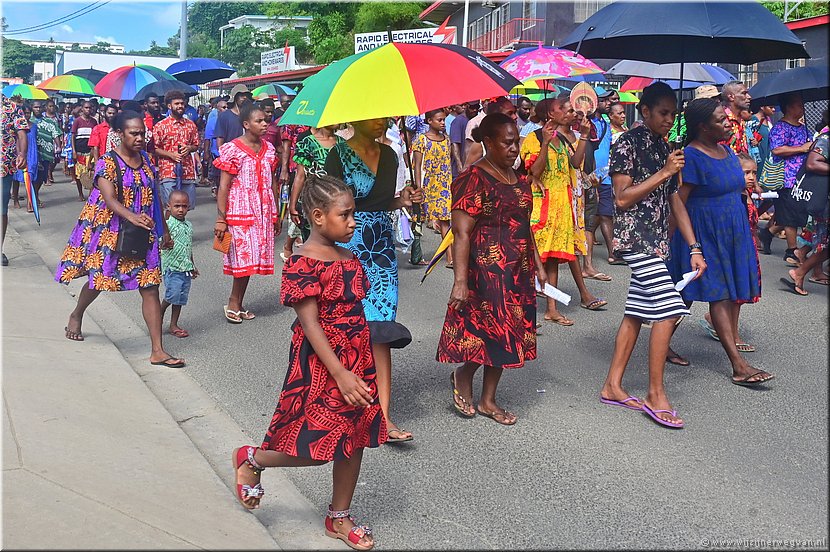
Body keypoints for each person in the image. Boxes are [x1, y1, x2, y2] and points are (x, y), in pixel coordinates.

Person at [232, 174, 384, 551]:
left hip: (356, 357)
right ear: (318, 216)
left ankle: (338, 516)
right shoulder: (302, 261)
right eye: (345, 215)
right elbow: (310, 323)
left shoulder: (348, 255)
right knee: (316, 447)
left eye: (353, 214)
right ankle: (253, 458)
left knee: (354, 438)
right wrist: (340, 373)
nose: (353, 222)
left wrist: (361, 366)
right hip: (323, 363)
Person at [600, 82, 706, 429]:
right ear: (644, 111)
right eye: (663, 112)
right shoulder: (626, 143)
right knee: (670, 309)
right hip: (634, 239)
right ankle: (654, 393)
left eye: (673, 113)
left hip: (658, 240)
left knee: (635, 313)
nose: (668, 119)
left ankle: (613, 386)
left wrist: (694, 247)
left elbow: (676, 201)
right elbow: (621, 198)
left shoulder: (667, 148)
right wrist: (664, 172)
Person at [438, 113, 546, 425]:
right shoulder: (473, 179)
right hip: (485, 271)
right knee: (488, 333)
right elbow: (461, 233)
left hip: (517, 270)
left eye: (517, 142)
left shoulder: (519, 179)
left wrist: (537, 264)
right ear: (488, 143)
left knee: (508, 334)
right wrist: (460, 280)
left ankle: (488, 399)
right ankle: (463, 376)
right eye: (508, 142)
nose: (515, 148)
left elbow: (524, 225)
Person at [55, 110, 184, 368]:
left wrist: (164, 230)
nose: (139, 138)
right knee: (100, 279)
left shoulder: (147, 160)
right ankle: (77, 313)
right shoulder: (107, 162)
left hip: (142, 233)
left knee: (150, 286)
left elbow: (155, 198)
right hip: (111, 231)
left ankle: (157, 350)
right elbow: (110, 199)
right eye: (133, 133)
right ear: (120, 134)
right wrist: (132, 216)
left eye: (142, 133)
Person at [325, 117, 423, 443]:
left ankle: (382, 416)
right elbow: (331, 210)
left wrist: (404, 200)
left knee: (380, 331)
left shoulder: (392, 155)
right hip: (347, 248)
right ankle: (341, 407)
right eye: (374, 115)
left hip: (381, 251)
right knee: (347, 329)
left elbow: (383, 204)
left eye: (384, 115)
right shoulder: (337, 156)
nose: (381, 121)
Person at [668, 98, 771, 387]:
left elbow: (736, 187)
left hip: (732, 232)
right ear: (702, 126)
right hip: (703, 233)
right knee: (719, 294)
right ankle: (738, 365)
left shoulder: (726, 151)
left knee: (682, 297)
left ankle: (661, 343)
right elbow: (678, 202)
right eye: (719, 119)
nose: (727, 122)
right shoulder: (690, 156)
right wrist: (677, 243)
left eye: (725, 117)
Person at [521, 96, 607, 326]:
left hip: (563, 206)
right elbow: (534, 173)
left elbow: (575, 164)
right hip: (542, 206)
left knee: (552, 261)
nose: (571, 112)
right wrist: (546, 143)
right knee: (530, 261)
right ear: (551, 114)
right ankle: (522, 312)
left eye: (571, 110)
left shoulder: (563, 139)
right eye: (565, 109)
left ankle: (551, 309)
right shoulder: (534, 138)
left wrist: (586, 136)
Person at [213, 102, 281, 323]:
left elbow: (272, 183)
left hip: (263, 211)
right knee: (242, 260)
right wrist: (221, 219)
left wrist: (276, 212)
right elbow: (224, 185)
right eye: (259, 121)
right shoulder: (232, 149)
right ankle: (233, 301)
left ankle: (238, 302)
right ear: (246, 124)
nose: (264, 124)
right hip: (239, 211)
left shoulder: (269, 149)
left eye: (265, 120)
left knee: (252, 259)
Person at [758, 93, 812, 263]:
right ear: (788, 107)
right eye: (798, 104)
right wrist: (801, 148)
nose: (802, 108)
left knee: (797, 212)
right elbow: (777, 150)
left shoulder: (803, 127)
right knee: (791, 214)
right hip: (787, 177)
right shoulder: (780, 128)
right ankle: (791, 250)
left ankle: (767, 233)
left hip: (803, 176)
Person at [783, 129, 829, 296]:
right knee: (824, 243)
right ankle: (800, 272)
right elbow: (812, 163)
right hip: (825, 201)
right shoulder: (826, 138)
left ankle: (801, 272)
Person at [288, 124, 343, 242]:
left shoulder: (343, 144)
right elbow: (300, 176)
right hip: (313, 201)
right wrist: (292, 205)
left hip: (337, 201)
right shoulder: (307, 143)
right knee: (313, 242)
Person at [413, 109, 453, 267]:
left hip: (444, 186)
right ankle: (416, 254)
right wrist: (418, 187)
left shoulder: (446, 140)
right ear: (429, 121)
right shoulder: (421, 140)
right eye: (439, 120)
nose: (443, 123)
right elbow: (417, 166)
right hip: (427, 185)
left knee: (445, 220)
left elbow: (447, 163)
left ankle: (450, 256)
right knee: (419, 219)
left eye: (444, 120)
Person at [159, 189, 198, 339]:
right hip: (172, 267)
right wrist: (163, 244)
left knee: (180, 297)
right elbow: (160, 243)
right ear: (169, 206)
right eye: (177, 206)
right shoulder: (168, 226)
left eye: (184, 206)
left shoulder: (188, 225)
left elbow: (188, 247)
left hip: (185, 268)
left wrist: (192, 265)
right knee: (172, 294)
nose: (181, 209)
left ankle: (173, 324)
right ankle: (159, 313)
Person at [154, 90, 200, 209]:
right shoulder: (160, 126)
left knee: (185, 207)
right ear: (169, 106)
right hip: (168, 171)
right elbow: (154, 149)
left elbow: (196, 144)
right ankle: (169, 228)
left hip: (187, 171)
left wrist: (189, 148)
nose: (180, 106)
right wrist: (171, 155)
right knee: (171, 207)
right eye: (176, 104)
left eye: (182, 103)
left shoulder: (191, 125)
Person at [278, 95, 311, 261]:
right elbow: (286, 146)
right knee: (297, 206)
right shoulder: (291, 119)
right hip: (295, 169)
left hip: (315, 172)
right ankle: (288, 244)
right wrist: (284, 169)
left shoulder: (317, 118)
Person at [588, 87, 617, 267]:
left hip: (604, 176)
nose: (608, 103)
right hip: (589, 176)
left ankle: (612, 252)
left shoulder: (606, 123)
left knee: (605, 213)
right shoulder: (585, 123)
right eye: (604, 100)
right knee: (594, 216)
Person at [2, 96, 29, 265]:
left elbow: (21, 134)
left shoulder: (11, 107)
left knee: (1, 209)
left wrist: (22, 154)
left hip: (3, 165)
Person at [464, 97, 517, 168]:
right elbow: (467, 170)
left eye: (515, 112)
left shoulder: (515, 139)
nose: (515, 117)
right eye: (510, 113)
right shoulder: (480, 145)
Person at [12, 103, 39, 213]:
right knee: (17, 178)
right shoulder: (17, 126)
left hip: (32, 153)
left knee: (31, 177)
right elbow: (17, 140)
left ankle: (29, 202)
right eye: (25, 113)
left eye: (29, 113)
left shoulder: (34, 126)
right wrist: (19, 154)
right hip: (19, 153)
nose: (27, 115)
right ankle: (15, 199)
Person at [71, 100, 97, 201]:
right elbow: (73, 136)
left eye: (90, 108)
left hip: (90, 151)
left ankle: (91, 194)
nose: (88, 110)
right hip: (79, 151)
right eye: (86, 108)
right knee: (79, 174)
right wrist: (73, 150)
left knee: (91, 173)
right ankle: (80, 193)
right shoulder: (77, 121)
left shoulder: (94, 121)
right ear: (82, 109)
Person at [34, 99, 62, 186]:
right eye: (35, 107)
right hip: (33, 152)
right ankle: (33, 197)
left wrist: (59, 146)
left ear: (43, 108)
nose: (38, 109)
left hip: (46, 153)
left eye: (39, 107)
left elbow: (55, 133)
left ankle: (36, 194)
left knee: (42, 176)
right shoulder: (28, 121)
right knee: (32, 175)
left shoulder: (49, 121)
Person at [720, 80, 752, 156]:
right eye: (744, 93)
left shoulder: (741, 120)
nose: (749, 97)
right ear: (731, 97)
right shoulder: (721, 119)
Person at [204, 97, 228, 198]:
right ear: (218, 109)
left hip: (228, 152)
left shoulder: (232, 118)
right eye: (223, 107)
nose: (226, 109)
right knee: (217, 176)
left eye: (227, 107)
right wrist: (206, 152)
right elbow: (207, 138)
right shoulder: (213, 120)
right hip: (216, 153)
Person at [450, 101, 478, 177]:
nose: (475, 110)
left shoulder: (473, 121)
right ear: (466, 106)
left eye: (477, 107)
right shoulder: (458, 121)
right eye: (472, 107)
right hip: (460, 170)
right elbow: (454, 143)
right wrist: (459, 165)